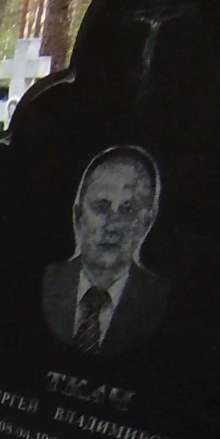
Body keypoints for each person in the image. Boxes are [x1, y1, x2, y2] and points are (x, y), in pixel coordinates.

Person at [41, 145, 168, 357]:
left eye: (128, 209)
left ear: (147, 221)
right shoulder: (46, 283)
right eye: (101, 207)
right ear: (79, 216)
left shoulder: (159, 301)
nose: (112, 225)